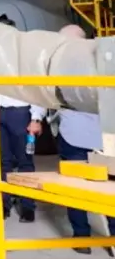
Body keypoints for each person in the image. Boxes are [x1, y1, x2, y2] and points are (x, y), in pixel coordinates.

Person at [0, 15, 44, 222]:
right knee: (1, 161)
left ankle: (28, 206)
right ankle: (3, 204)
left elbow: (37, 90)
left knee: (25, 161)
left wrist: (36, 118)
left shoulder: (25, 59)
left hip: (20, 114)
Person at [52, 25, 113, 254]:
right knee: (108, 186)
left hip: (74, 134)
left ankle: (81, 237)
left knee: (74, 187)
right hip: (103, 135)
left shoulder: (60, 63)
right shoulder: (102, 59)